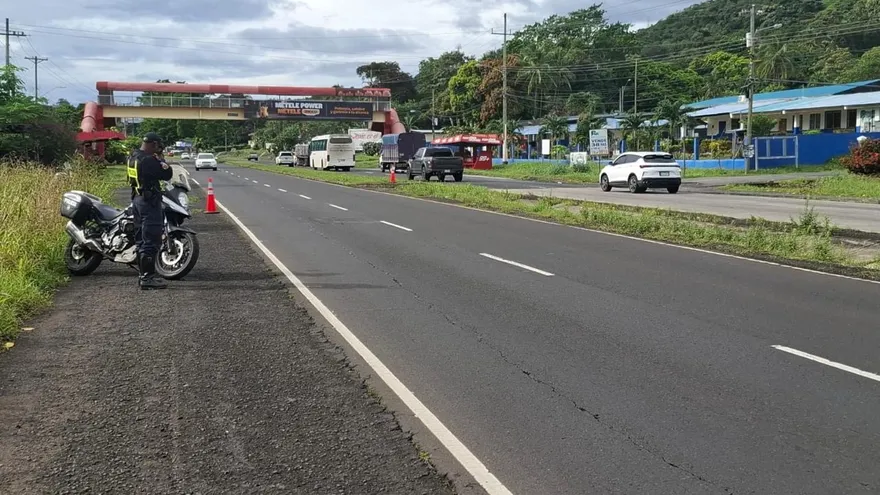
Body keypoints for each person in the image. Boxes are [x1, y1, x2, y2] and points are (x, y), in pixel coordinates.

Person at [128, 132, 173, 290]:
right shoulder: (149, 160)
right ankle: (148, 278)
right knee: (151, 240)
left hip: (137, 200)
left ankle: (143, 275)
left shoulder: (133, 157)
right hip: (149, 202)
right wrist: (161, 159)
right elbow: (167, 174)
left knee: (141, 240)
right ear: (153, 144)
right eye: (158, 146)